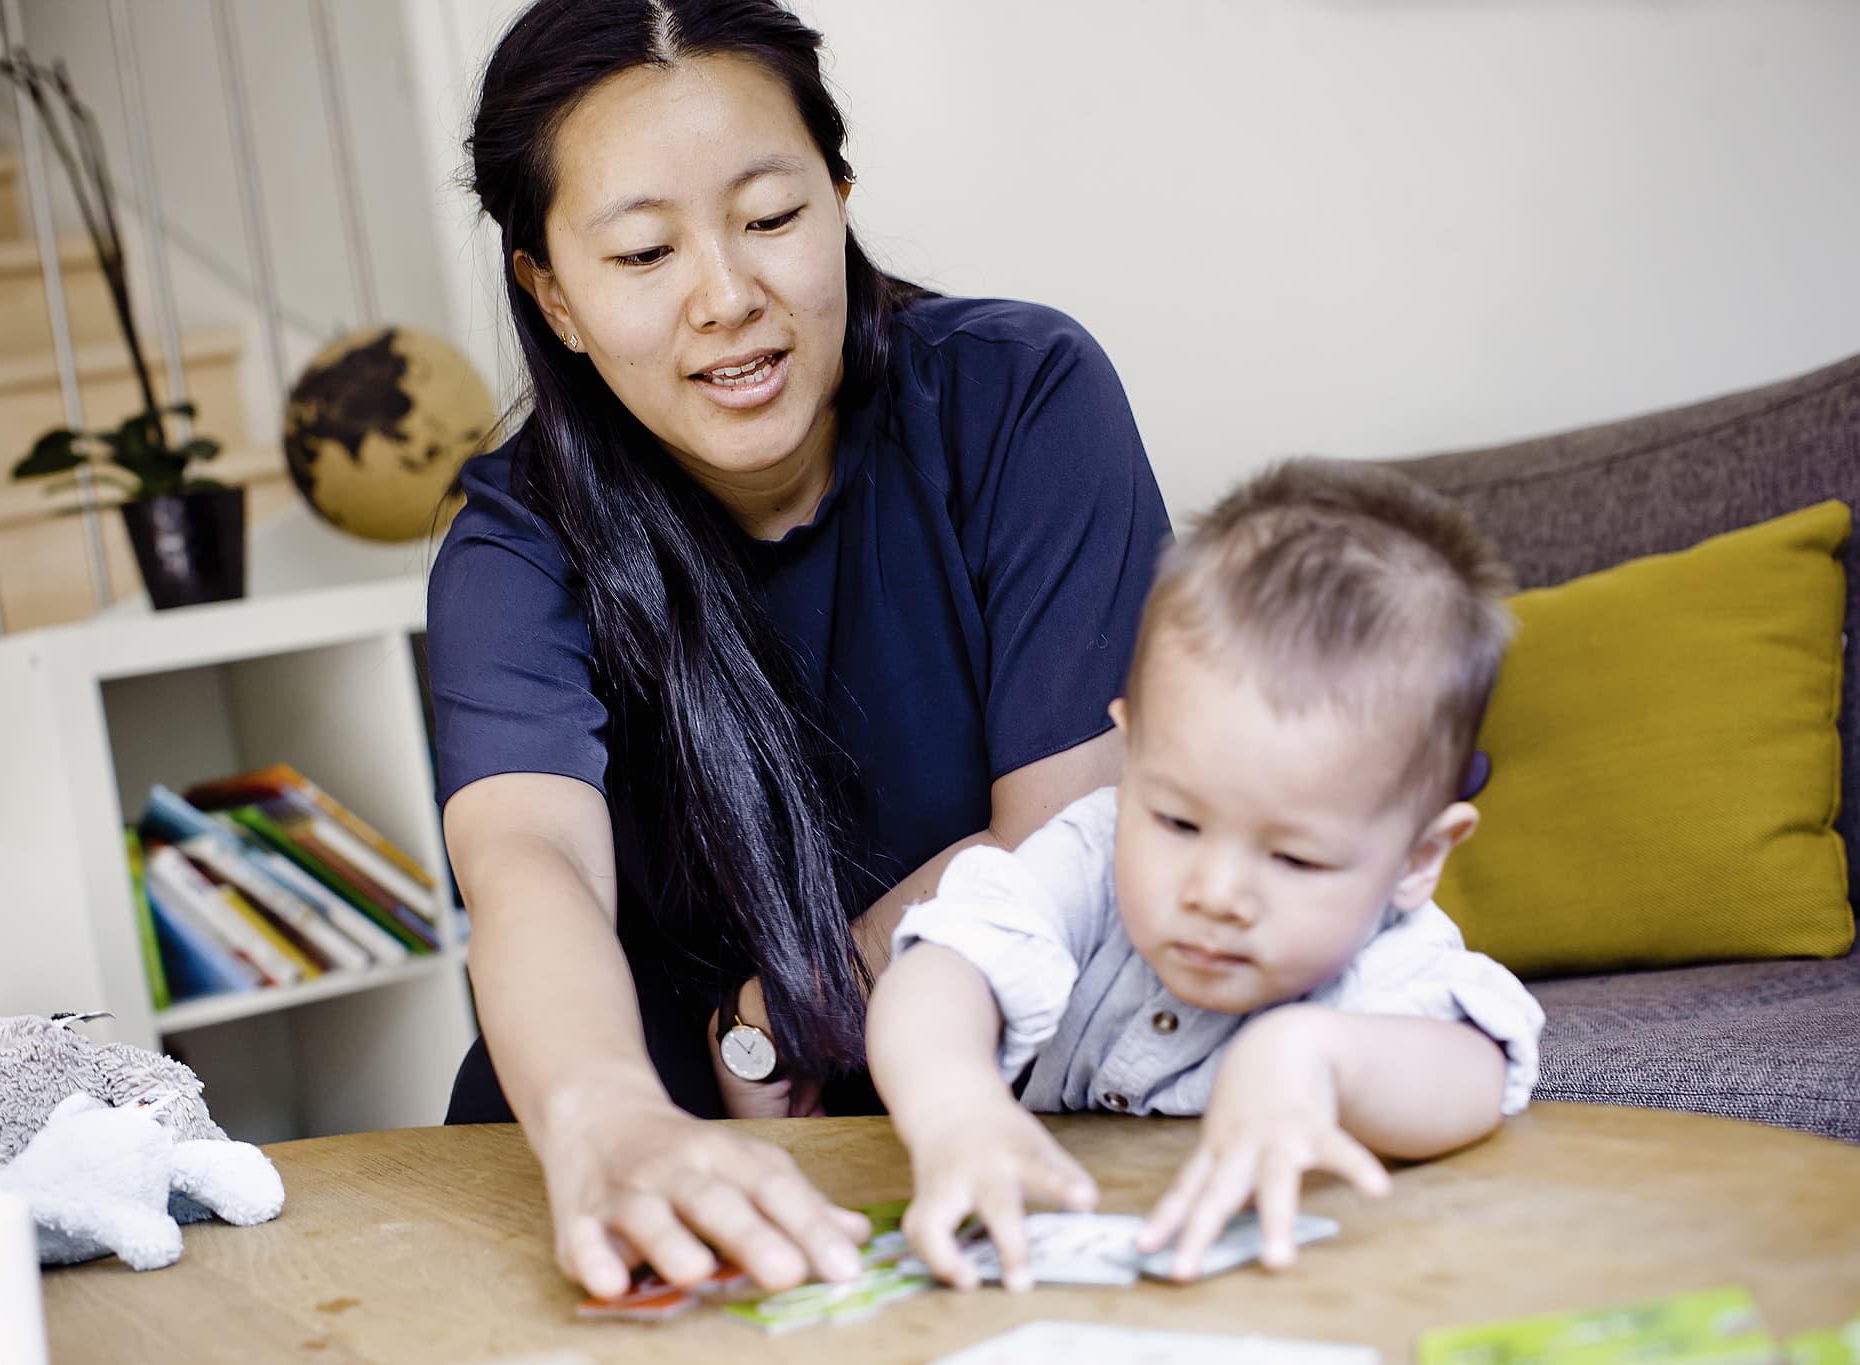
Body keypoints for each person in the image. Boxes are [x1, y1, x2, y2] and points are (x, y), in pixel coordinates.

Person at [425, 0, 1170, 1302]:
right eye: (646, 252)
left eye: (771, 218)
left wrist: (775, 1024)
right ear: (553, 294)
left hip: (960, 1108)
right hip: (627, 1150)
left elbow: (1071, 836)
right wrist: (605, 1116)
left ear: (838, 193)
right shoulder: (515, 539)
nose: (728, 298)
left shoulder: (1021, 394)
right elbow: (525, 856)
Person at [866, 458, 1545, 1292]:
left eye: (1294, 857)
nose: (1215, 894)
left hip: (1283, 1290)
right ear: (1135, 751)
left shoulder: (1390, 947)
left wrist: (1318, 1055)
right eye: (1178, 822)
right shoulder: (1088, 852)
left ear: (1416, 858)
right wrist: (954, 1107)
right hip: (1047, 1270)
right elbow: (939, 970)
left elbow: (1474, 1074)